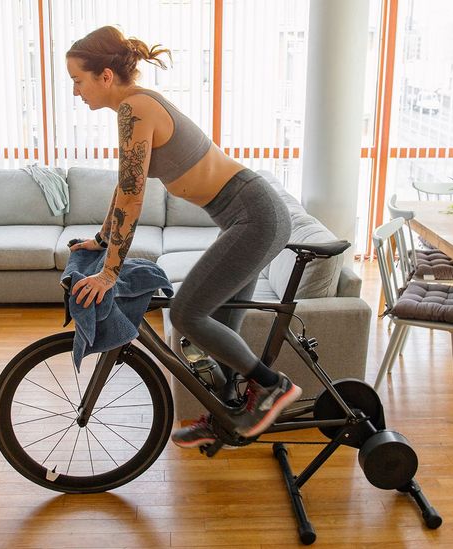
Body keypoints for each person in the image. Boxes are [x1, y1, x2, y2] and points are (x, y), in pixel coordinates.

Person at [65, 26, 300, 447]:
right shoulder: (133, 108)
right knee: (219, 329)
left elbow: (134, 196)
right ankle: (228, 415)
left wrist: (109, 273)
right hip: (243, 218)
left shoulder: (135, 108)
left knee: (188, 314)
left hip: (255, 216)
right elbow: (126, 187)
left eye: (77, 81)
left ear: (104, 76)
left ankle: (272, 387)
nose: (76, 91)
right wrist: (102, 242)